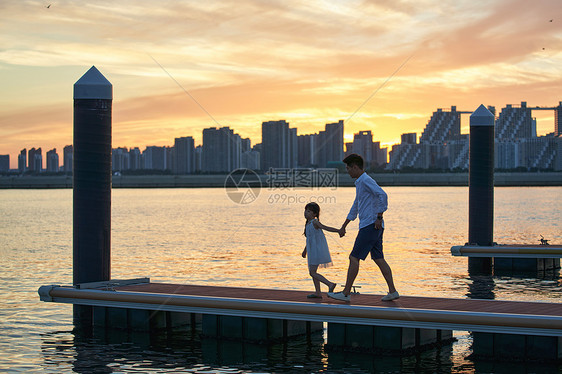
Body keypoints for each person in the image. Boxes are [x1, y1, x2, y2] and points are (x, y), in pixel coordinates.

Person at [328, 153, 399, 302]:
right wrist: (344, 226)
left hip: (370, 225)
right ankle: (392, 291)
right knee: (379, 258)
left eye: (348, 168)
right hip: (373, 226)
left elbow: (383, 195)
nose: (347, 171)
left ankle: (346, 293)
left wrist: (379, 217)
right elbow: (356, 205)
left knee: (353, 257)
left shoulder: (365, 180)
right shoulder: (360, 182)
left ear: (355, 167)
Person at [302, 202, 339, 299]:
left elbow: (326, 228)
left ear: (314, 214)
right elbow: (309, 239)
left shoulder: (315, 222)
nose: (306, 213)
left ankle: (330, 284)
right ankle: (318, 292)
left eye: (309, 211)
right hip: (311, 250)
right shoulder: (308, 224)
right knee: (312, 271)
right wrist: (305, 251)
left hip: (317, 250)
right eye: (305, 210)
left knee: (312, 272)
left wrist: (338, 231)